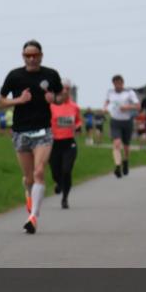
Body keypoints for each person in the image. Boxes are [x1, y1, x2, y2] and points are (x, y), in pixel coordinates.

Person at [0, 40, 63, 234]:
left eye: (35, 55)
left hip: (43, 131)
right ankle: (29, 192)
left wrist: (54, 99)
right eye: (28, 56)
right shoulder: (15, 75)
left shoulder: (50, 75)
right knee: (28, 178)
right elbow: (0, 101)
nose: (32, 59)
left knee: (39, 171)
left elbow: (60, 97)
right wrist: (19, 100)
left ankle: (33, 216)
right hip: (21, 132)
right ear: (23, 56)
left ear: (41, 56)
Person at [49, 79, 81, 208]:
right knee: (55, 172)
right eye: (63, 88)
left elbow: (78, 121)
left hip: (69, 143)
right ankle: (59, 183)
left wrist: (78, 126)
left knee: (66, 170)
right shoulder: (51, 106)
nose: (65, 91)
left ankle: (65, 198)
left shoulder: (74, 107)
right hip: (54, 143)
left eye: (68, 88)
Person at [104, 74, 140, 179]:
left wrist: (128, 107)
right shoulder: (110, 92)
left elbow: (138, 106)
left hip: (127, 121)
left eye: (119, 83)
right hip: (115, 121)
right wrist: (105, 107)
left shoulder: (129, 93)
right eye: (115, 84)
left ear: (122, 83)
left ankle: (126, 161)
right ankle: (117, 166)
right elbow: (107, 102)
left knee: (126, 146)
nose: (117, 86)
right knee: (116, 143)